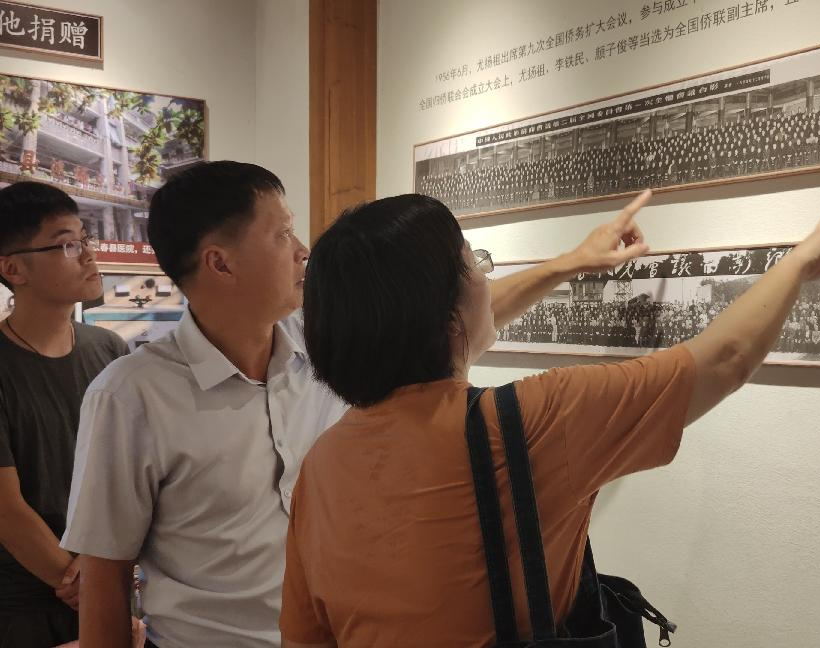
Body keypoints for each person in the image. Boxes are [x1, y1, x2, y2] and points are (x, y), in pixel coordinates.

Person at [61, 162, 649, 648]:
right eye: (282, 235)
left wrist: (570, 263)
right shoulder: (131, 396)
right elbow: (105, 576)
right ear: (220, 262)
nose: (302, 251)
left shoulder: (321, 347)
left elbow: (452, 315)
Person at [281, 193, 820, 648]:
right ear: (447, 309)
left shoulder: (321, 466)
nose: (486, 278)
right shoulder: (528, 422)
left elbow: (305, 638)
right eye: (474, 262)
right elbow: (724, 359)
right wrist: (798, 262)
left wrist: (575, 261)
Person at [0, 181, 128, 648]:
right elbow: (7, 510)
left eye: (86, 239)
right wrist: (83, 587)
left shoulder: (109, 350)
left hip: (109, 577)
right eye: (67, 244)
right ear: (13, 269)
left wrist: (111, 584)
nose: (89, 255)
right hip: (25, 601)